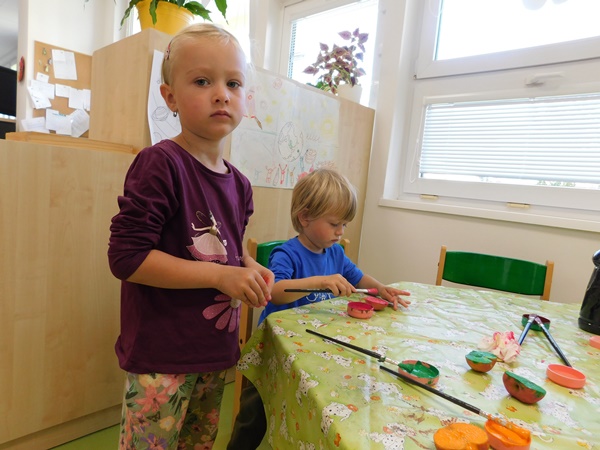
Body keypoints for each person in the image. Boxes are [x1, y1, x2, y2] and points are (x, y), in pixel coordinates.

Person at [107, 23, 273, 450]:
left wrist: (250, 269)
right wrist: (220, 276)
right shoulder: (160, 164)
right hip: (162, 357)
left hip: (215, 352)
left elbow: (230, 251)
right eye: (202, 81)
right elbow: (127, 257)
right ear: (170, 97)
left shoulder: (240, 184)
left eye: (233, 83)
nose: (221, 94)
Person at [228, 168, 411, 449]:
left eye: (345, 224)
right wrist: (319, 282)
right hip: (276, 350)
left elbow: (358, 277)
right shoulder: (287, 253)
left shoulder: (336, 252)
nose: (341, 232)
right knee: (254, 413)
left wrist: (380, 288)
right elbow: (274, 292)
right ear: (305, 218)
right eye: (335, 224)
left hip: (314, 348)